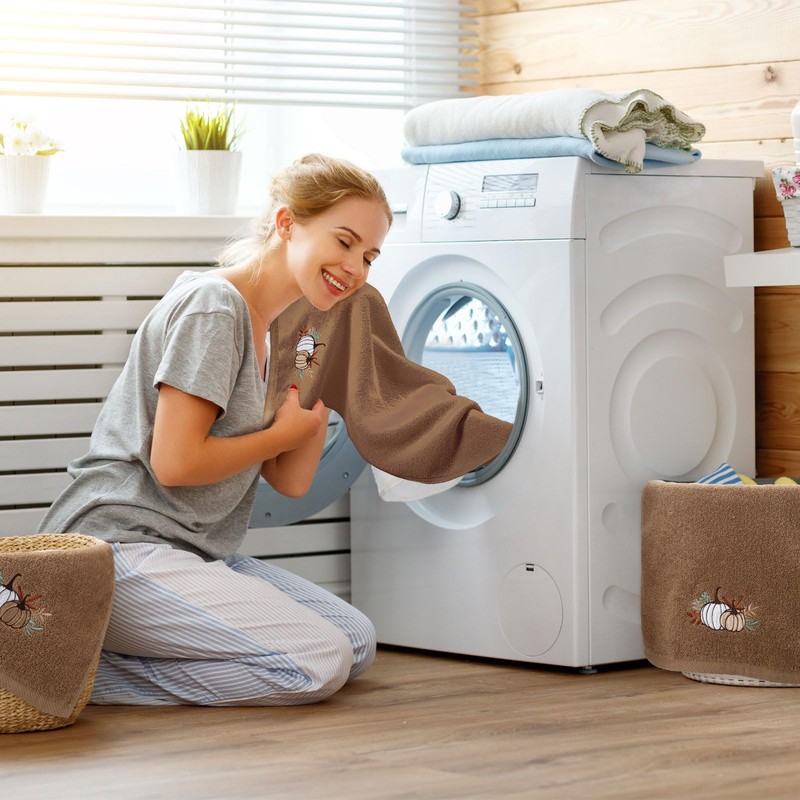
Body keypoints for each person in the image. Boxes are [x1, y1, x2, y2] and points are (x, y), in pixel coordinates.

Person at [38, 154, 392, 706]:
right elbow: (174, 463)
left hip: (193, 554)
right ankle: (59, 678)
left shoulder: (284, 332)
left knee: (356, 641)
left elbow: (291, 482)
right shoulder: (215, 307)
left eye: (369, 256)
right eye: (344, 242)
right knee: (320, 661)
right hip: (117, 551)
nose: (356, 268)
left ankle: (77, 658)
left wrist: (321, 391)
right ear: (287, 224)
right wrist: (280, 435)